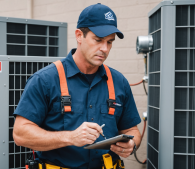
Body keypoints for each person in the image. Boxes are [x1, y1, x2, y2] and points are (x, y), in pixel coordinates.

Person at [13, 3, 142, 169]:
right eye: (98, 40)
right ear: (79, 35)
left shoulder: (119, 82)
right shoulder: (45, 80)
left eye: (110, 42)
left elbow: (132, 130)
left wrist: (131, 144)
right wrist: (70, 137)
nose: (104, 49)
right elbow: (20, 134)